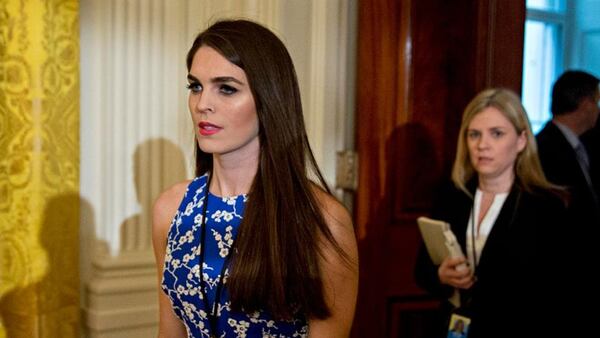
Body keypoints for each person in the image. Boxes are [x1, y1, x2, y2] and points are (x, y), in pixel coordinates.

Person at [151, 19, 358, 338]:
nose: (202, 104)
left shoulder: (322, 222)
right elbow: (169, 331)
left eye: (227, 88)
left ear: (269, 98)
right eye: (196, 86)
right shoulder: (171, 209)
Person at [414, 88, 569, 337]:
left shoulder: (546, 206)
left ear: (521, 141)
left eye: (496, 134)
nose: (482, 145)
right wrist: (441, 276)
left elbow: (557, 294)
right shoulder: (453, 195)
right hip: (455, 327)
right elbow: (422, 271)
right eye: (474, 134)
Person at [536, 70, 600, 224]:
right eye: (597, 102)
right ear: (586, 105)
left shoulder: (585, 143)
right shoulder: (545, 148)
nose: (598, 109)